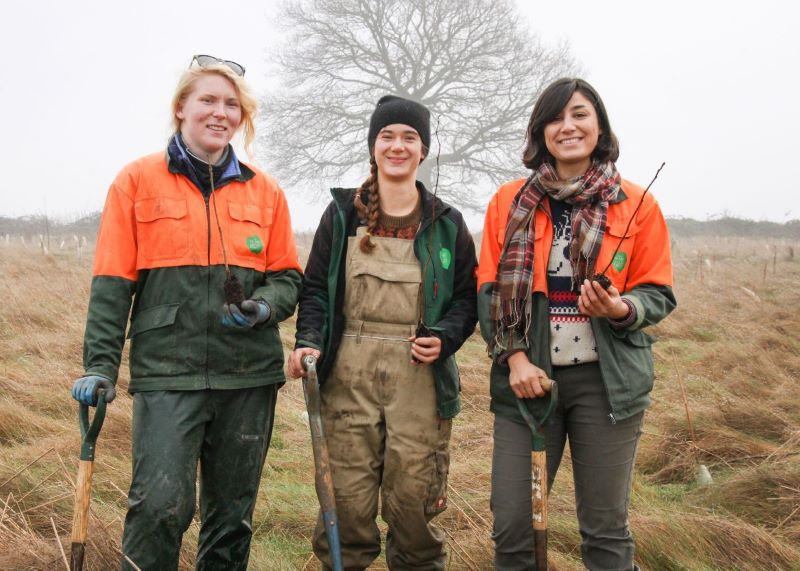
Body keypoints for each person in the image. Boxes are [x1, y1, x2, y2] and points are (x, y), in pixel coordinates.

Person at [70, 54, 302, 570]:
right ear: (181, 108)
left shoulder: (265, 190)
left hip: (247, 376)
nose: (220, 113)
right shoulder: (136, 181)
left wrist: (263, 308)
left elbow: (288, 277)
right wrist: (99, 366)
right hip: (167, 373)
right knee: (159, 508)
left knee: (232, 515)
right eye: (208, 101)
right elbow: (112, 284)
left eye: (232, 104)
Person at [477, 77, 676, 570]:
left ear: (599, 125)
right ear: (540, 131)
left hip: (606, 384)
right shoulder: (509, 201)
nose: (568, 126)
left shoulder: (636, 204)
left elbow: (657, 291)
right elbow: (488, 290)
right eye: (555, 117)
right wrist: (515, 359)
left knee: (606, 531)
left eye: (580, 114)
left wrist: (621, 309)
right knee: (513, 526)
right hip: (528, 381)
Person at [288, 95, 478, 570]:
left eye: (409, 137)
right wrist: (307, 341)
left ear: (424, 150)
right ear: (373, 147)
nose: (398, 146)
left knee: (413, 501)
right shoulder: (341, 215)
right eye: (387, 136)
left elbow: (467, 299)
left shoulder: (447, 223)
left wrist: (446, 336)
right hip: (346, 375)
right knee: (346, 502)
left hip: (420, 377)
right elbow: (314, 289)